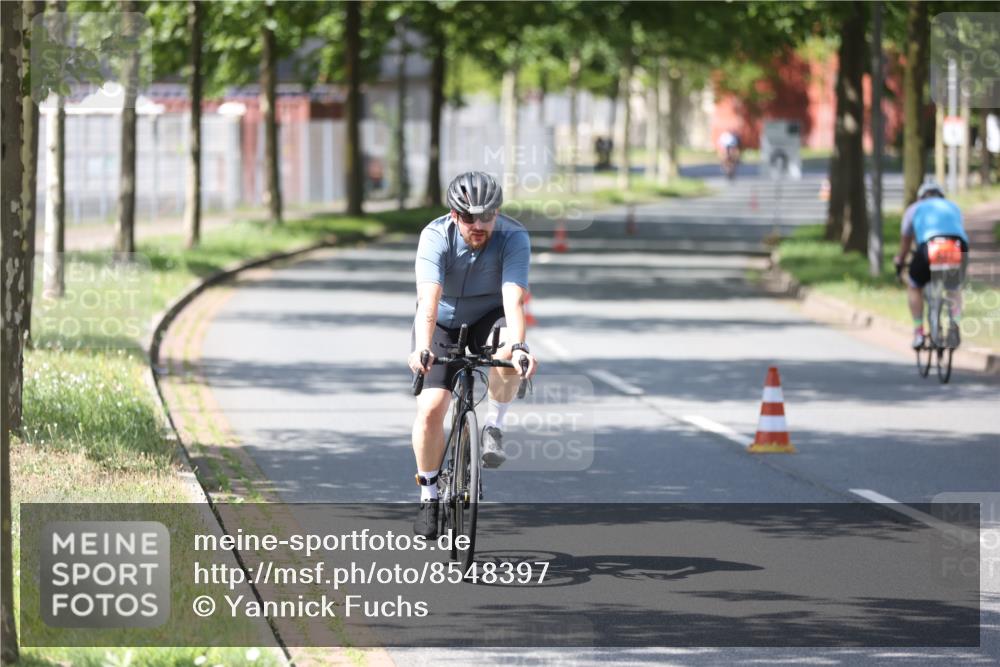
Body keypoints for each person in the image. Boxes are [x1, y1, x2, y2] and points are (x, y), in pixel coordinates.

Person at [408, 171, 539, 538]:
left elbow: (514, 298)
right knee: (432, 406)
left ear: (497, 213)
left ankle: (494, 425)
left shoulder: (514, 237)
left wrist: (520, 347)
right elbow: (428, 301)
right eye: (469, 217)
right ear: (454, 214)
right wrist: (422, 347)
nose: (479, 225)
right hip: (442, 321)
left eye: (487, 216)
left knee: (509, 349)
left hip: (489, 314)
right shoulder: (435, 236)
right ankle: (429, 496)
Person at [893, 180, 969, 350]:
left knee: (914, 285)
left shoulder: (914, 209)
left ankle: (919, 332)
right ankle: (954, 324)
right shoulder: (953, 206)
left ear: (921, 197)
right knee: (954, 286)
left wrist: (900, 261)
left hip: (930, 246)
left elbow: (905, 242)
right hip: (957, 246)